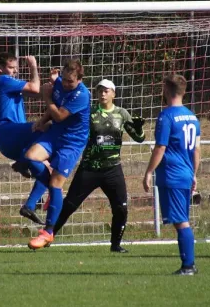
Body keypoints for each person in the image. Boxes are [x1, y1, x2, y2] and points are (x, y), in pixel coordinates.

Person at [51, 79, 145, 253]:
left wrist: (139, 129)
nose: (103, 93)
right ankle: (49, 235)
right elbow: (75, 131)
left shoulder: (122, 114)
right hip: (89, 168)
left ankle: (115, 245)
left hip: (112, 169)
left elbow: (139, 138)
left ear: (113, 94)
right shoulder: (90, 113)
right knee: (69, 205)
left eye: (106, 91)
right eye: (100, 90)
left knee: (121, 208)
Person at [25, 58, 91, 250]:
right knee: (31, 157)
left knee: (56, 183)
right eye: (64, 79)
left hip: (72, 143)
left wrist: (46, 97)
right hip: (56, 134)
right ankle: (47, 191)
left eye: (70, 81)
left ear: (79, 79)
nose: (66, 84)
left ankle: (48, 232)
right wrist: (42, 119)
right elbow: (54, 106)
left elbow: (60, 114)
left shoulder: (82, 95)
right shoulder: (60, 83)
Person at [143, 74, 201, 275]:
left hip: (172, 174)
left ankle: (188, 265)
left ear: (167, 90)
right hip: (185, 173)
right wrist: (194, 174)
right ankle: (188, 264)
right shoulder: (192, 117)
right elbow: (197, 150)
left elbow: (160, 147)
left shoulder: (166, 116)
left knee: (181, 221)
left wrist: (149, 172)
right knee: (181, 219)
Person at [0, 52, 49, 224]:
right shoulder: (3, 80)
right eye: (10, 68)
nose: (14, 71)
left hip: (16, 142)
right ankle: (23, 162)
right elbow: (35, 88)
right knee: (47, 128)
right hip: (9, 133)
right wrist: (33, 66)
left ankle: (29, 206)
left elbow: (36, 91)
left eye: (16, 68)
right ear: (0, 69)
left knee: (48, 175)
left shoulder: (9, 84)